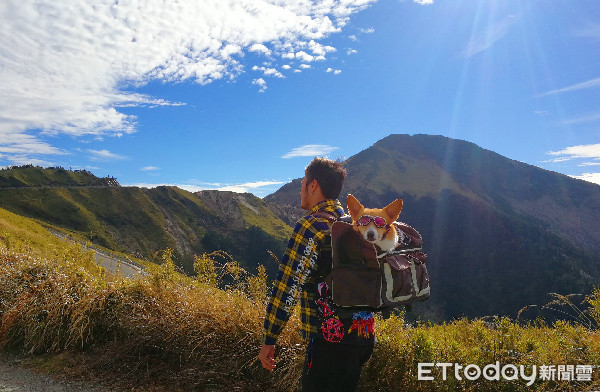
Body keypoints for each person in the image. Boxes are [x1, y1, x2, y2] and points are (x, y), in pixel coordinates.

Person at [258, 157, 375, 391]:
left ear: (313, 185)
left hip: (329, 340)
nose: (301, 189)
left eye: (303, 183)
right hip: (362, 334)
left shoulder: (312, 226)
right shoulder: (354, 224)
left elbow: (287, 286)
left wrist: (270, 338)